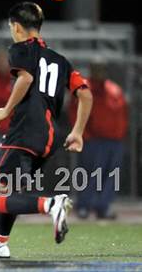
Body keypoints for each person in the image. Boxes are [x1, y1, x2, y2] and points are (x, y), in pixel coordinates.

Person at [0, 2, 93, 259]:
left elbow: (25, 78)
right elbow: (85, 94)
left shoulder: (20, 49)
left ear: (16, 26)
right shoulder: (61, 61)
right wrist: (78, 131)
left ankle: (52, 204)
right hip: (50, 135)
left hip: (25, 130)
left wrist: (5, 110)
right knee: (9, 192)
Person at [69, 61, 128, 220]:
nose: (99, 72)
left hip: (115, 140)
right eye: (97, 69)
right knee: (89, 173)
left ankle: (104, 206)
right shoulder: (85, 88)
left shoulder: (113, 89)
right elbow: (74, 112)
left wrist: (121, 134)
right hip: (93, 139)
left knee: (112, 174)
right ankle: (84, 206)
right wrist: (82, 134)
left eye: (102, 69)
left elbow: (122, 114)